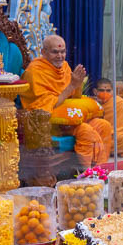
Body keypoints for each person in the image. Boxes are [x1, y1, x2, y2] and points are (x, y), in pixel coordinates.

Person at [21, 35, 111, 167]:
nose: (60, 56)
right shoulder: (34, 72)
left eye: (63, 51)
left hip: (70, 119)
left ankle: (101, 167)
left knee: (104, 125)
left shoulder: (64, 67)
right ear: (44, 52)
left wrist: (77, 84)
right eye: (55, 52)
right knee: (85, 130)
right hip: (48, 124)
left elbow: (73, 97)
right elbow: (47, 105)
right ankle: (87, 171)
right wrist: (71, 86)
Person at [87, 79, 123, 157]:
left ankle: (101, 150)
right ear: (95, 91)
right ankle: (105, 150)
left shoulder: (119, 103)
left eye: (108, 90)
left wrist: (110, 133)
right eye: (101, 90)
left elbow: (121, 127)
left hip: (112, 136)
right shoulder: (90, 102)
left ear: (113, 91)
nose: (105, 93)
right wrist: (96, 105)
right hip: (97, 136)